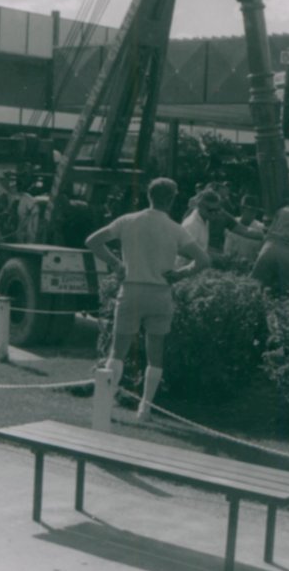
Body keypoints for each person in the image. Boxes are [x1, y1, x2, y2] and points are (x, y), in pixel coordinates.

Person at [86, 177, 209, 422]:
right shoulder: (176, 228)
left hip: (131, 290)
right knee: (156, 353)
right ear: (172, 199)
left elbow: (93, 241)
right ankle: (145, 408)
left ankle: (106, 405)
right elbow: (204, 260)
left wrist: (116, 263)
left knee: (117, 351)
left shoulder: (128, 220)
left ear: (149, 195)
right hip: (160, 292)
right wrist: (181, 274)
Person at [223, 195, 266, 266]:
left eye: (255, 210)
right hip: (231, 266)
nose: (253, 213)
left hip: (251, 268)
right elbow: (227, 251)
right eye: (250, 210)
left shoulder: (261, 228)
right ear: (242, 209)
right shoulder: (231, 224)